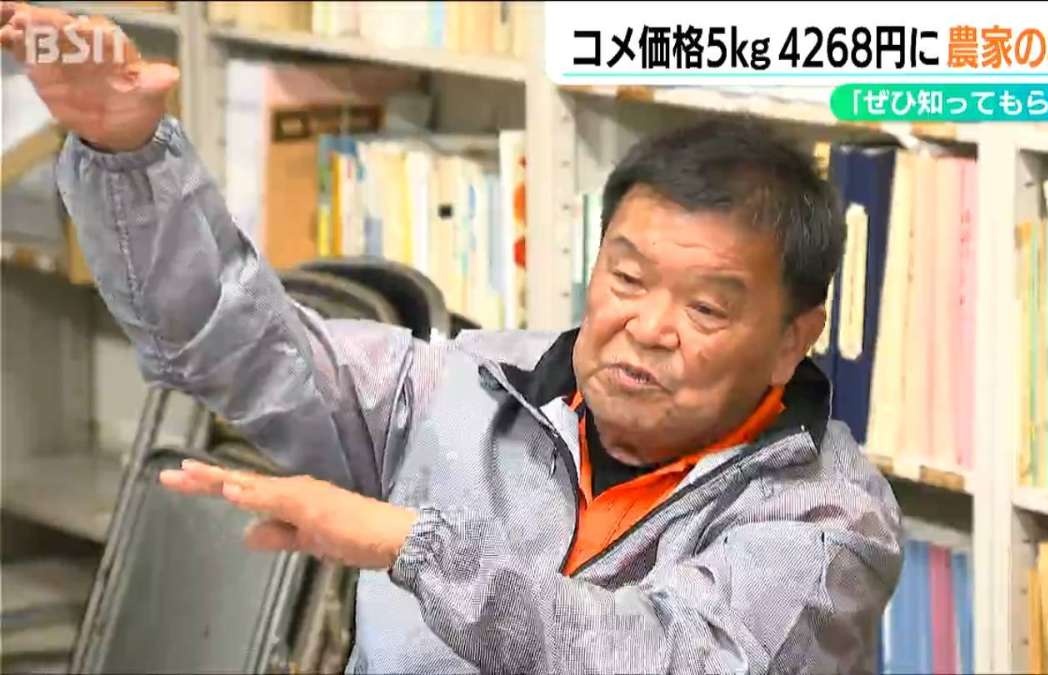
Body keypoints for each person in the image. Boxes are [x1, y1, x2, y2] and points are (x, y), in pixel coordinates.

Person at [2, 3, 902, 672]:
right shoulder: (468, 386)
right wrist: (124, 151)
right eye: (627, 280)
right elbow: (223, 337)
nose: (648, 327)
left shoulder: (825, 519)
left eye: (705, 309)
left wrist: (416, 546)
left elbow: (673, 658)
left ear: (792, 340)